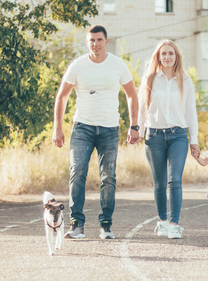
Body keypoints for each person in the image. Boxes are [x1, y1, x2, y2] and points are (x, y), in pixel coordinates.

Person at [52, 25, 140, 240]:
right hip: (82, 127)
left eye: (99, 40)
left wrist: (134, 125)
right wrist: (58, 127)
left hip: (109, 128)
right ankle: (77, 225)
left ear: (106, 41)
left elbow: (131, 94)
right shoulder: (78, 65)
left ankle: (106, 225)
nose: (95, 44)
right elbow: (62, 96)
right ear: (87, 42)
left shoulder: (117, 65)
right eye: (91, 40)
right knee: (77, 172)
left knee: (108, 177)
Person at [137, 39, 200, 239]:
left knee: (175, 180)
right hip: (153, 135)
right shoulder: (149, 80)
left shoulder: (185, 80)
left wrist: (194, 139)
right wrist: (137, 131)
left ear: (176, 57)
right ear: (158, 57)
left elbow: (191, 111)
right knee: (159, 183)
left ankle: (174, 224)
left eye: (170, 53)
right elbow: (140, 108)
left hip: (178, 136)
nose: (167, 57)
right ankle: (162, 222)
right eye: (163, 53)